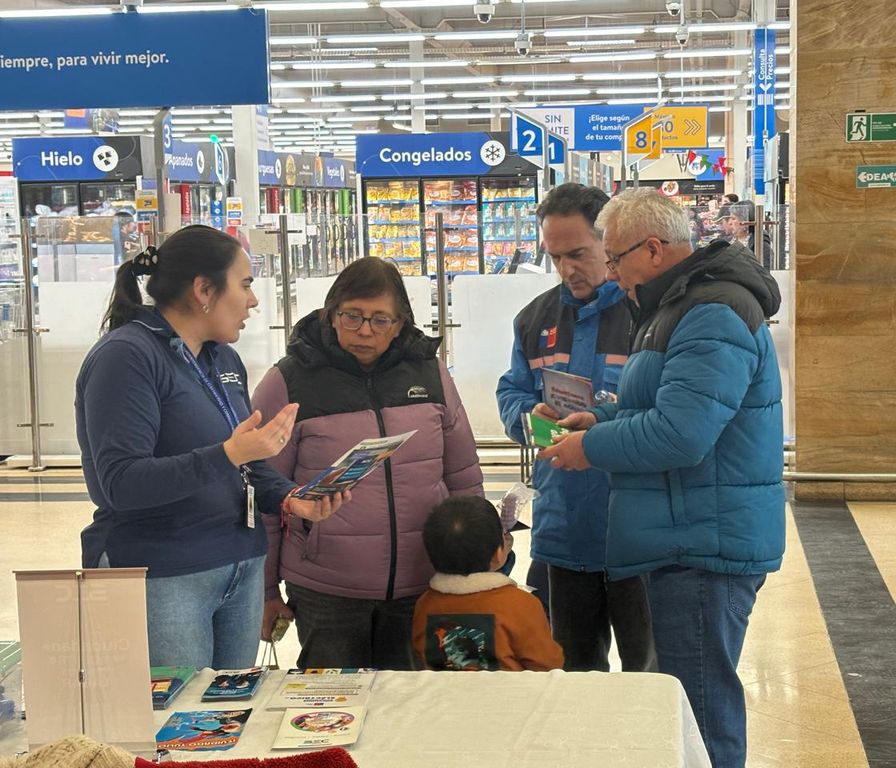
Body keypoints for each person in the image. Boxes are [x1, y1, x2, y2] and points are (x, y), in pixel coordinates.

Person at [538, 188, 785, 768]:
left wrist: (590, 447)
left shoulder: (711, 312)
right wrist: (598, 417)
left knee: (699, 712)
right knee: (685, 704)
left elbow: (681, 434)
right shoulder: (676, 307)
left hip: (703, 545)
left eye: (614, 257)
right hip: (686, 535)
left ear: (652, 249)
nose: (610, 272)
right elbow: (659, 406)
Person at [76, 225, 346, 670]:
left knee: (229, 720)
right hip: (163, 573)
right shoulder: (127, 356)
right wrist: (229, 454)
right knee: (177, 730)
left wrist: (293, 499)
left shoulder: (221, 357)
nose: (253, 302)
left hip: (238, 566)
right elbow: (119, 483)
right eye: (244, 286)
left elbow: (244, 461)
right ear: (204, 289)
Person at [252, 257, 483, 670]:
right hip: (327, 590)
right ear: (330, 313)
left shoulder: (431, 373)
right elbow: (263, 490)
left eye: (380, 320)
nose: (364, 331)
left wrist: (474, 564)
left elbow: (463, 476)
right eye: (352, 316)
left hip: (424, 582)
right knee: (329, 714)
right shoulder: (289, 380)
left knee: (411, 713)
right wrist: (266, 591)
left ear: (400, 325)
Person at [496, 183, 655, 673]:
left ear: (608, 242)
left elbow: (665, 414)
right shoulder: (534, 319)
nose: (567, 269)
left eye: (579, 254)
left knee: (650, 681)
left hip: (640, 534)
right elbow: (512, 392)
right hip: (563, 532)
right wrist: (530, 418)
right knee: (570, 680)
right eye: (555, 257)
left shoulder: (650, 317)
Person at [412, 496, 564, 672]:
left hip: (443, 697)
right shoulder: (521, 605)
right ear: (497, 555)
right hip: (509, 697)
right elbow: (547, 664)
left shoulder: (425, 604)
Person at [731, 199, 774, 268]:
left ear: (745, 221)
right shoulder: (731, 239)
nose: (730, 223)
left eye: (733, 219)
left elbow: (766, 269)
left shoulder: (760, 243)